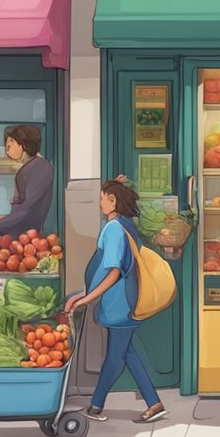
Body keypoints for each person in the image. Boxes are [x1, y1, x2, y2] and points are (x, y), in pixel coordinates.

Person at [65, 177, 166, 424]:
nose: (99, 203)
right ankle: (154, 404)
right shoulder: (124, 225)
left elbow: (113, 271)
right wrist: (84, 294)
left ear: (112, 201)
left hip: (118, 303)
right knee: (127, 353)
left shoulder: (113, 229)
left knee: (114, 356)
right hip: (121, 301)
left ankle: (96, 406)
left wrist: (88, 297)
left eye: (102, 198)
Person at [0, 125, 53, 239]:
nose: (7, 151)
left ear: (23, 145)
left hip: (25, 237)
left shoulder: (40, 167)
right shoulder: (30, 167)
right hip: (19, 235)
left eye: (10, 146)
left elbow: (25, 211)